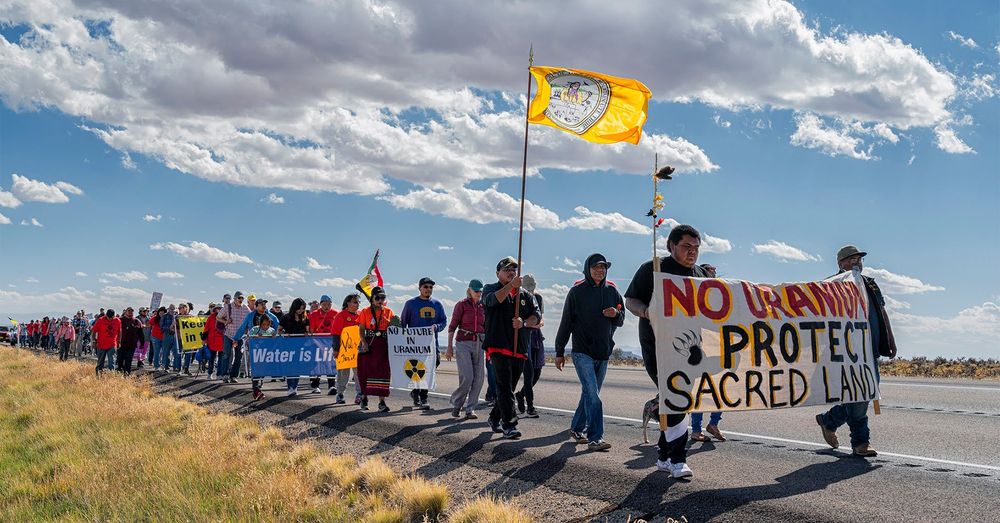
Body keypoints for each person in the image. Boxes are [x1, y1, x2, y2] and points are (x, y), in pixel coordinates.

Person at [624, 224, 710, 478]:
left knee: (678, 399)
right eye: (686, 246)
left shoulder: (701, 274)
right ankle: (677, 459)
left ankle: (663, 455)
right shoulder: (654, 269)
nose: (692, 252)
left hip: (691, 349)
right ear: (671, 246)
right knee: (677, 396)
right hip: (657, 346)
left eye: (696, 247)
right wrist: (648, 312)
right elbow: (631, 301)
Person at [816, 244, 897, 458]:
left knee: (867, 392)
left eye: (859, 259)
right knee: (860, 395)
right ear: (841, 264)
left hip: (870, 350)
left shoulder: (870, 284)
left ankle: (829, 420)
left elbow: (882, 312)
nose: (856, 263)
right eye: (851, 260)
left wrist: (890, 340)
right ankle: (860, 442)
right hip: (845, 352)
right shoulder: (831, 285)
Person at [554, 254, 624, 452]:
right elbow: (566, 322)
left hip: (603, 352)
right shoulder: (577, 292)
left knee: (589, 393)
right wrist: (559, 351)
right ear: (588, 269)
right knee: (593, 395)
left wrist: (616, 314)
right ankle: (595, 438)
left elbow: (621, 318)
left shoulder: (613, 291)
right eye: (596, 267)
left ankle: (576, 429)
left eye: (603, 267)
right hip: (582, 352)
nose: (600, 270)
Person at [482, 256, 540, 440]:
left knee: (509, 387)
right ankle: (509, 424)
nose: (511, 272)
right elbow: (491, 301)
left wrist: (523, 323)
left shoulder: (526, 295)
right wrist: (510, 287)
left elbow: (537, 316)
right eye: (507, 269)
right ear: (498, 272)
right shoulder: (491, 288)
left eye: (514, 269)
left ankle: (494, 417)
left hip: (519, 347)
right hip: (498, 345)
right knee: (504, 386)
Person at [400, 277, 448, 410]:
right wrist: (401, 340)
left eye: (431, 287)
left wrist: (437, 327)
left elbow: (443, 321)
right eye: (426, 287)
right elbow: (403, 323)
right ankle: (423, 397)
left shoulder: (437, 304)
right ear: (420, 288)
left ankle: (417, 392)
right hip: (415, 345)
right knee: (417, 368)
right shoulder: (410, 304)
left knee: (431, 367)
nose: (428, 289)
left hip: (432, 345)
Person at [446, 279, 486, 419]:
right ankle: (457, 404)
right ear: (469, 290)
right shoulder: (461, 305)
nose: (478, 293)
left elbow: (487, 326)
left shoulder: (483, 306)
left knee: (479, 378)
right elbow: (452, 327)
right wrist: (449, 347)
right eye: (476, 291)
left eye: (480, 291)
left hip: (480, 344)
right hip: (463, 343)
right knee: (467, 377)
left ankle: (470, 409)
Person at [357, 287, 394, 413]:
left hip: (383, 346)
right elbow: (361, 328)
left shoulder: (389, 312)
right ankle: (364, 398)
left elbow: (394, 330)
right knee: (365, 372)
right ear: (372, 299)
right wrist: (363, 342)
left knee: (383, 373)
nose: (380, 300)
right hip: (368, 344)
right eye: (377, 298)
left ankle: (382, 402)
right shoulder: (365, 311)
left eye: (382, 298)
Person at [515, 274, 546, 418]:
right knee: (528, 372)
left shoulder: (538, 298)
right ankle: (530, 406)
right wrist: (529, 323)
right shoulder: (519, 298)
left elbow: (540, 319)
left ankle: (521, 395)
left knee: (537, 371)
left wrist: (537, 323)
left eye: (532, 287)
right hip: (524, 335)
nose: (530, 290)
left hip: (536, 336)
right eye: (528, 287)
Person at [233, 298, 279, 392]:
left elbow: (278, 326)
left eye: (265, 304)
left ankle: (259, 379)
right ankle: (256, 382)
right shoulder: (250, 316)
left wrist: (278, 335)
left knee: (264, 363)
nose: (264, 306)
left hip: (267, 345)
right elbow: (243, 327)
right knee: (256, 363)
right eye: (261, 304)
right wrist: (236, 338)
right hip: (254, 344)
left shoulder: (271, 316)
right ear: (256, 306)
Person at [331, 293, 363, 405]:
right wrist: (336, 349)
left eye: (358, 302)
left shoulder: (361, 315)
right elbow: (336, 333)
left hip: (358, 350)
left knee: (359, 373)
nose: (357, 304)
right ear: (348, 303)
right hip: (344, 350)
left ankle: (360, 394)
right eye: (355, 302)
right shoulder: (341, 316)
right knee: (343, 373)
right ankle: (340, 394)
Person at [279, 297, 311, 396]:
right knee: (290, 367)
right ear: (294, 307)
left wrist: (307, 333)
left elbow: (308, 330)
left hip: (300, 347)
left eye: (303, 308)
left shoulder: (305, 318)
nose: (301, 310)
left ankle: (295, 387)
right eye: (299, 308)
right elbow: (279, 330)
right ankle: (290, 387)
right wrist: (285, 334)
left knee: (297, 368)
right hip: (288, 346)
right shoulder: (286, 317)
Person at [308, 295, 339, 394]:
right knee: (317, 364)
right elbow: (312, 330)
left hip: (331, 343)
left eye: (329, 304)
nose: (327, 306)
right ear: (321, 304)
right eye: (324, 304)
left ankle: (332, 386)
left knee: (330, 364)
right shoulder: (314, 314)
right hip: (318, 343)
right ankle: (315, 385)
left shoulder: (335, 313)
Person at [217, 292, 250, 382]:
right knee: (226, 355)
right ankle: (225, 374)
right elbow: (218, 317)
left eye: (242, 298)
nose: (241, 300)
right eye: (239, 298)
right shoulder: (228, 307)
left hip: (240, 336)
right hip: (229, 334)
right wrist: (225, 321)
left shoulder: (245, 308)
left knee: (239, 356)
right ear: (235, 298)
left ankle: (233, 376)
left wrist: (248, 328)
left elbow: (250, 318)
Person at [247, 315, 276, 400]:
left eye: (267, 324)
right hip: (256, 353)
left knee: (263, 371)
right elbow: (249, 337)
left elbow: (276, 339)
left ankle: (258, 385)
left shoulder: (272, 330)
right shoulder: (255, 329)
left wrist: (274, 337)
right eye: (263, 324)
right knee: (256, 371)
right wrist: (255, 337)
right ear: (260, 324)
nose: (265, 326)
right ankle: (256, 390)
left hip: (267, 354)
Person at [92, 309, 121, 376]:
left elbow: (119, 331)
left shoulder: (117, 321)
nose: (110, 319)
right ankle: (98, 376)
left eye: (111, 317)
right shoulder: (101, 320)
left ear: (114, 316)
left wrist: (119, 341)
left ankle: (111, 376)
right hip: (101, 344)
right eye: (108, 317)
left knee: (112, 361)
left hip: (112, 344)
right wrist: (94, 341)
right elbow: (94, 331)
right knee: (100, 362)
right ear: (106, 315)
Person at [117, 307, 144, 376]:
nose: (130, 312)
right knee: (120, 360)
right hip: (121, 344)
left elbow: (140, 333)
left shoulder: (136, 321)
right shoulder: (120, 320)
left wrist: (142, 343)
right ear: (125, 312)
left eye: (132, 311)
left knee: (128, 361)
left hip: (131, 345)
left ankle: (127, 375)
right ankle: (119, 373)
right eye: (129, 311)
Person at [203, 304, 224, 379]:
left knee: (221, 359)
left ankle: (219, 374)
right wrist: (204, 339)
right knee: (211, 358)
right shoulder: (211, 317)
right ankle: (210, 373)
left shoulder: (225, 317)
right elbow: (206, 329)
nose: (219, 310)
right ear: (215, 310)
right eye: (218, 308)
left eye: (220, 308)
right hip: (212, 341)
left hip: (222, 340)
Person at [158, 305, 179, 372]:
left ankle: (175, 367)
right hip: (167, 335)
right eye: (171, 309)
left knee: (176, 352)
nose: (172, 310)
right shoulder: (164, 316)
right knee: (166, 352)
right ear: (168, 309)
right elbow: (161, 327)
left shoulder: (178, 317)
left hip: (176, 336)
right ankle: (166, 367)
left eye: (173, 309)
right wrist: (170, 328)